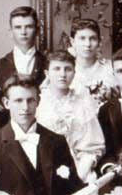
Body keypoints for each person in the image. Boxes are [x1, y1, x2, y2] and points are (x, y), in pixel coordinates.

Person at [37, 50, 104, 182]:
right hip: (43, 168)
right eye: (56, 69)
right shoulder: (38, 104)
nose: (62, 74)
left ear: (74, 72)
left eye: (68, 69)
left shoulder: (84, 104)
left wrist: (78, 175)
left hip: (78, 167)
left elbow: (92, 147)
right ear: (47, 73)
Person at [0, 6, 47, 88]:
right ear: (11, 32)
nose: (23, 32)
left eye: (29, 27)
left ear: (37, 31)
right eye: (18, 27)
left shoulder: (48, 64)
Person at [67, 18, 117, 103]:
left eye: (93, 38)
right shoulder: (65, 70)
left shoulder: (111, 69)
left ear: (99, 41)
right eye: (82, 38)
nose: (87, 44)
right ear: (72, 41)